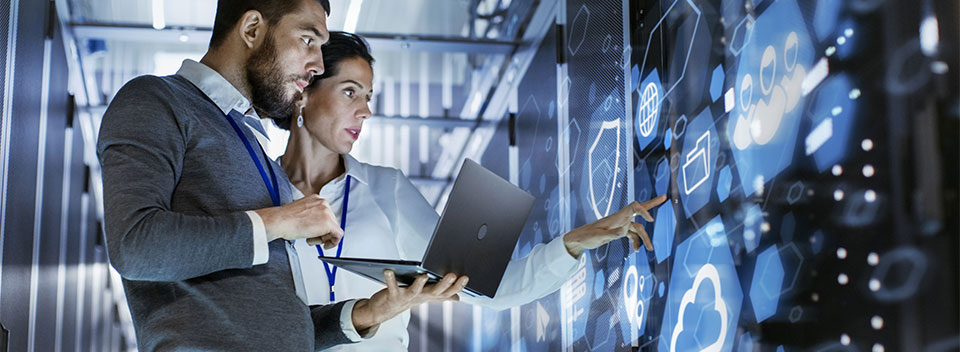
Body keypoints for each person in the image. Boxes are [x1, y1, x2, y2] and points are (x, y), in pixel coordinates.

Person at [96, 1, 465, 350]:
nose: (318, 64)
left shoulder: (254, 150)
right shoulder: (157, 100)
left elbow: (275, 323)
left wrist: (371, 311)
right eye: (308, 39)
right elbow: (135, 246)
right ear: (253, 28)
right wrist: (281, 220)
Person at [276, 31, 669, 350]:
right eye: (350, 92)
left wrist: (576, 242)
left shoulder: (385, 188)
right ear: (305, 90)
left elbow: (488, 289)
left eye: (368, 97)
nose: (365, 111)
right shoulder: (260, 197)